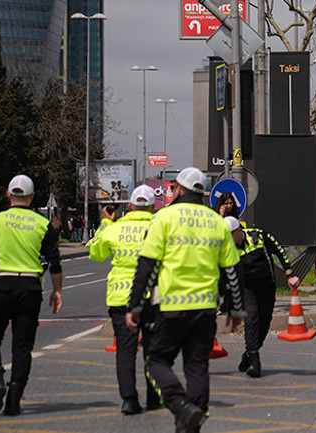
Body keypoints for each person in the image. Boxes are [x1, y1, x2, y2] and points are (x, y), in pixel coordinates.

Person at [125, 167, 244, 433]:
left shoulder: (163, 218)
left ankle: (180, 406)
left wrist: (135, 305)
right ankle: (193, 423)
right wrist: (236, 309)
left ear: (178, 189)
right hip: (205, 309)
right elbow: (232, 270)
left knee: (156, 362)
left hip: (170, 307)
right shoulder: (217, 222)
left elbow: (147, 266)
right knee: (197, 367)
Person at [0, 174, 63, 416]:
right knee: (22, 346)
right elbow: (54, 260)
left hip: (0, 285)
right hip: (30, 288)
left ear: (8, 194)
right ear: (32, 197)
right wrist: (57, 291)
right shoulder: (42, 223)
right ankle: (14, 400)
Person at [86, 185, 160, 415]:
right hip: (153, 296)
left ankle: (129, 399)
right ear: (153, 206)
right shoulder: (160, 227)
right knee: (153, 349)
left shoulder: (115, 229)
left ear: (129, 206)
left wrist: (105, 223)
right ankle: (154, 397)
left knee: (125, 350)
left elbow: (95, 253)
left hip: (121, 298)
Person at [224, 216, 300, 378]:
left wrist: (289, 273)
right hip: (247, 289)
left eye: (230, 235)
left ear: (239, 231)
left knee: (264, 323)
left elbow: (279, 250)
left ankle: (248, 354)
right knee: (251, 318)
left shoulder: (258, 236)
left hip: (267, 286)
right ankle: (254, 360)